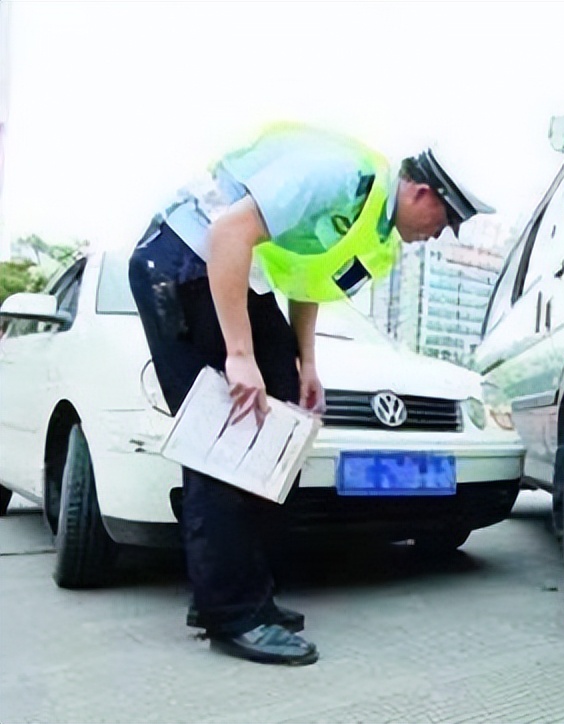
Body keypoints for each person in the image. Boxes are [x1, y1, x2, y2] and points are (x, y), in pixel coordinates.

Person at [128, 124, 493, 666]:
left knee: (277, 420)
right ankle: (231, 612)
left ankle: (241, 591)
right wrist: (239, 356)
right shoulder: (337, 175)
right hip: (183, 264)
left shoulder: (369, 216)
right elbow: (229, 232)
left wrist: (306, 364)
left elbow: (306, 279)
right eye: (444, 222)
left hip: (231, 275)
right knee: (228, 441)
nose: (438, 236)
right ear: (422, 193)